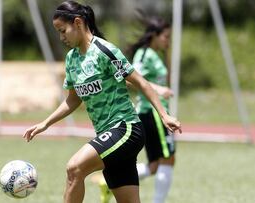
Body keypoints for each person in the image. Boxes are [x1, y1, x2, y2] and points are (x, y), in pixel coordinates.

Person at [23, 1, 182, 203]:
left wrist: (164, 114)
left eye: (63, 31)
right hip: (108, 135)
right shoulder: (72, 59)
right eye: (58, 32)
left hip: (126, 129)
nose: (61, 37)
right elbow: (72, 100)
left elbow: (141, 83)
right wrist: (45, 123)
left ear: (78, 23)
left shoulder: (104, 50)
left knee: (74, 168)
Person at [99, 17, 176, 203]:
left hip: (154, 112)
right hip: (152, 112)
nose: (168, 41)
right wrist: (158, 89)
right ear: (154, 36)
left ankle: (107, 184)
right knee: (168, 159)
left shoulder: (154, 53)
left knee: (156, 165)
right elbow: (131, 79)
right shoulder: (144, 54)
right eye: (165, 36)